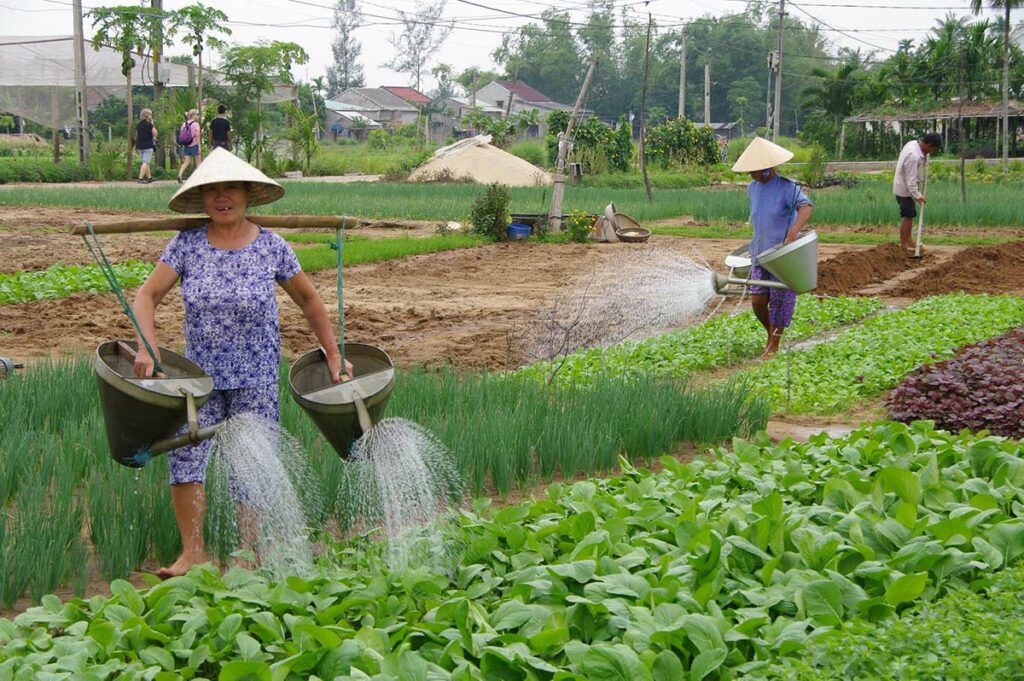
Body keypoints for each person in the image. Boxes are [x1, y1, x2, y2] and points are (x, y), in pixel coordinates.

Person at [132, 147, 352, 578]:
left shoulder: (271, 247)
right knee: (186, 458)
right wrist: (147, 346)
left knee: (251, 462)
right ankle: (192, 553)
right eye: (212, 190)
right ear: (202, 199)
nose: (221, 197)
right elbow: (146, 296)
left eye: (229, 187)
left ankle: (247, 554)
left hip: (255, 376)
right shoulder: (187, 245)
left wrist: (333, 352)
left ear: (248, 193)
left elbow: (309, 299)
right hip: (199, 379)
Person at [731, 137, 813, 358]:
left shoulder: (788, 188)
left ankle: (774, 344)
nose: (751, 175)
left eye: (755, 171)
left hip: (781, 254)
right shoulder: (752, 188)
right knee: (758, 301)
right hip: (759, 252)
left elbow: (806, 207)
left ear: (767, 169)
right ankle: (771, 334)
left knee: (779, 300)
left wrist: (793, 232)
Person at [893, 132, 942, 251]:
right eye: (933, 149)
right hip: (905, 190)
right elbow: (910, 181)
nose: (932, 152)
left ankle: (909, 240)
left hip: (907, 189)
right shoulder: (913, 156)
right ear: (929, 144)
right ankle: (904, 243)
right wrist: (918, 196)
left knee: (910, 214)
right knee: (908, 215)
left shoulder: (913, 144)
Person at [176, 109, 202, 183]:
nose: (198, 116)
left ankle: (180, 174)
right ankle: (198, 179)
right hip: (194, 145)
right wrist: (199, 147)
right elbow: (197, 136)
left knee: (186, 162)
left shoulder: (184, 124)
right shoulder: (196, 124)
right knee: (198, 163)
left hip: (186, 145)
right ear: (193, 115)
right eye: (197, 114)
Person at [134, 108, 157, 184]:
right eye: (151, 114)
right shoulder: (149, 124)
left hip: (140, 146)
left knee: (145, 162)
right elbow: (155, 134)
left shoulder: (138, 125)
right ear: (148, 115)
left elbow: (136, 135)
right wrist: (152, 124)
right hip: (148, 146)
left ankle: (149, 177)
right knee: (145, 162)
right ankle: (140, 178)